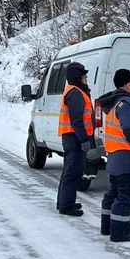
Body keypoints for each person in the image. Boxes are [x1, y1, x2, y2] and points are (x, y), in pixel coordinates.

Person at [97, 69, 130, 242]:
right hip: (129, 158)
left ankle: (108, 226)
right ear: (129, 84)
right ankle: (121, 231)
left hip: (116, 157)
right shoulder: (127, 104)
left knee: (114, 193)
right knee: (128, 195)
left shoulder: (117, 102)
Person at [55, 62, 93, 217]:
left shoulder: (74, 91)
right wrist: (84, 139)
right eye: (84, 76)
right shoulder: (75, 93)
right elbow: (76, 120)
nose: (86, 78)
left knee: (69, 171)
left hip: (72, 137)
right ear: (78, 77)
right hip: (75, 137)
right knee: (73, 173)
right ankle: (67, 206)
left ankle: (63, 202)